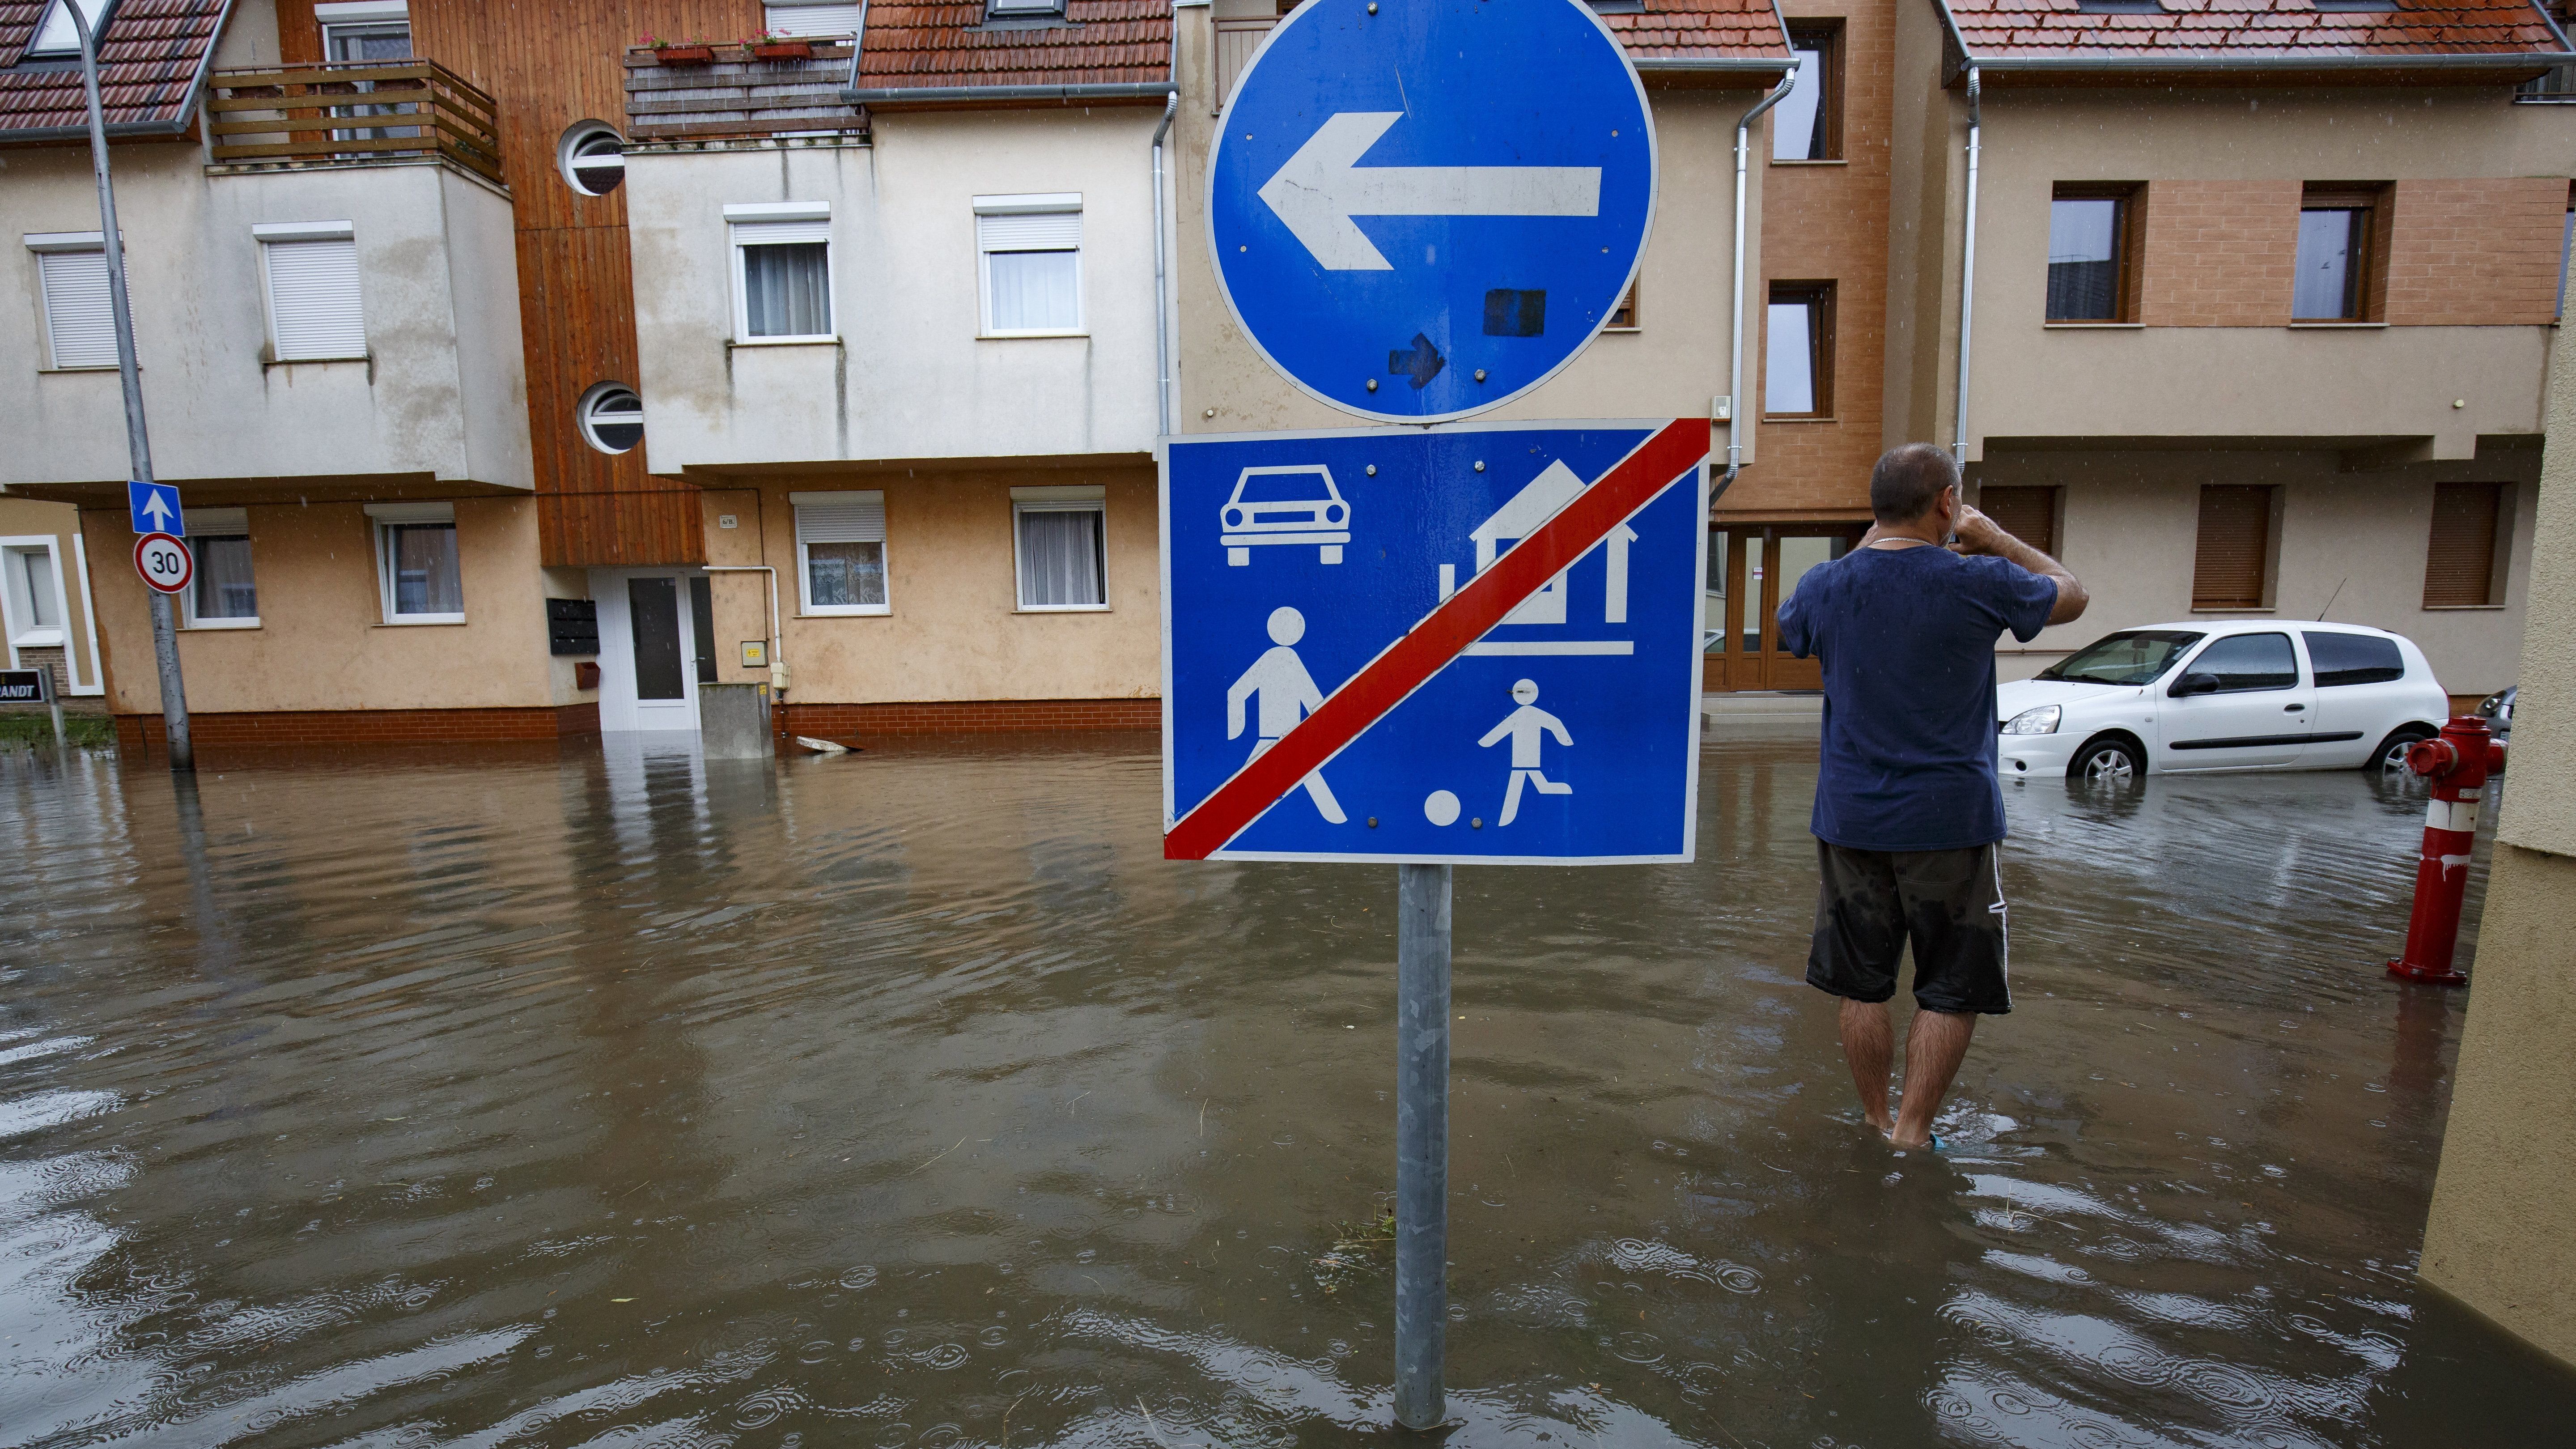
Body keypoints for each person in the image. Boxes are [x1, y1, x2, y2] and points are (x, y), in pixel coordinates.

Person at [1774, 444, 2088, 1151]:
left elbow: (1793, 624)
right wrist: (1995, 537)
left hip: (1851, 820)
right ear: (1948, 503)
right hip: (1952, 821)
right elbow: (2072, 594)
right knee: (1951, 984)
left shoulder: (1828, 586)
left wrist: (1873, 541)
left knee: (1863, 985)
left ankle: (1874, 1117)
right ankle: (1913, 1134)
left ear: (1875, 508)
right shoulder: (1978, 580)